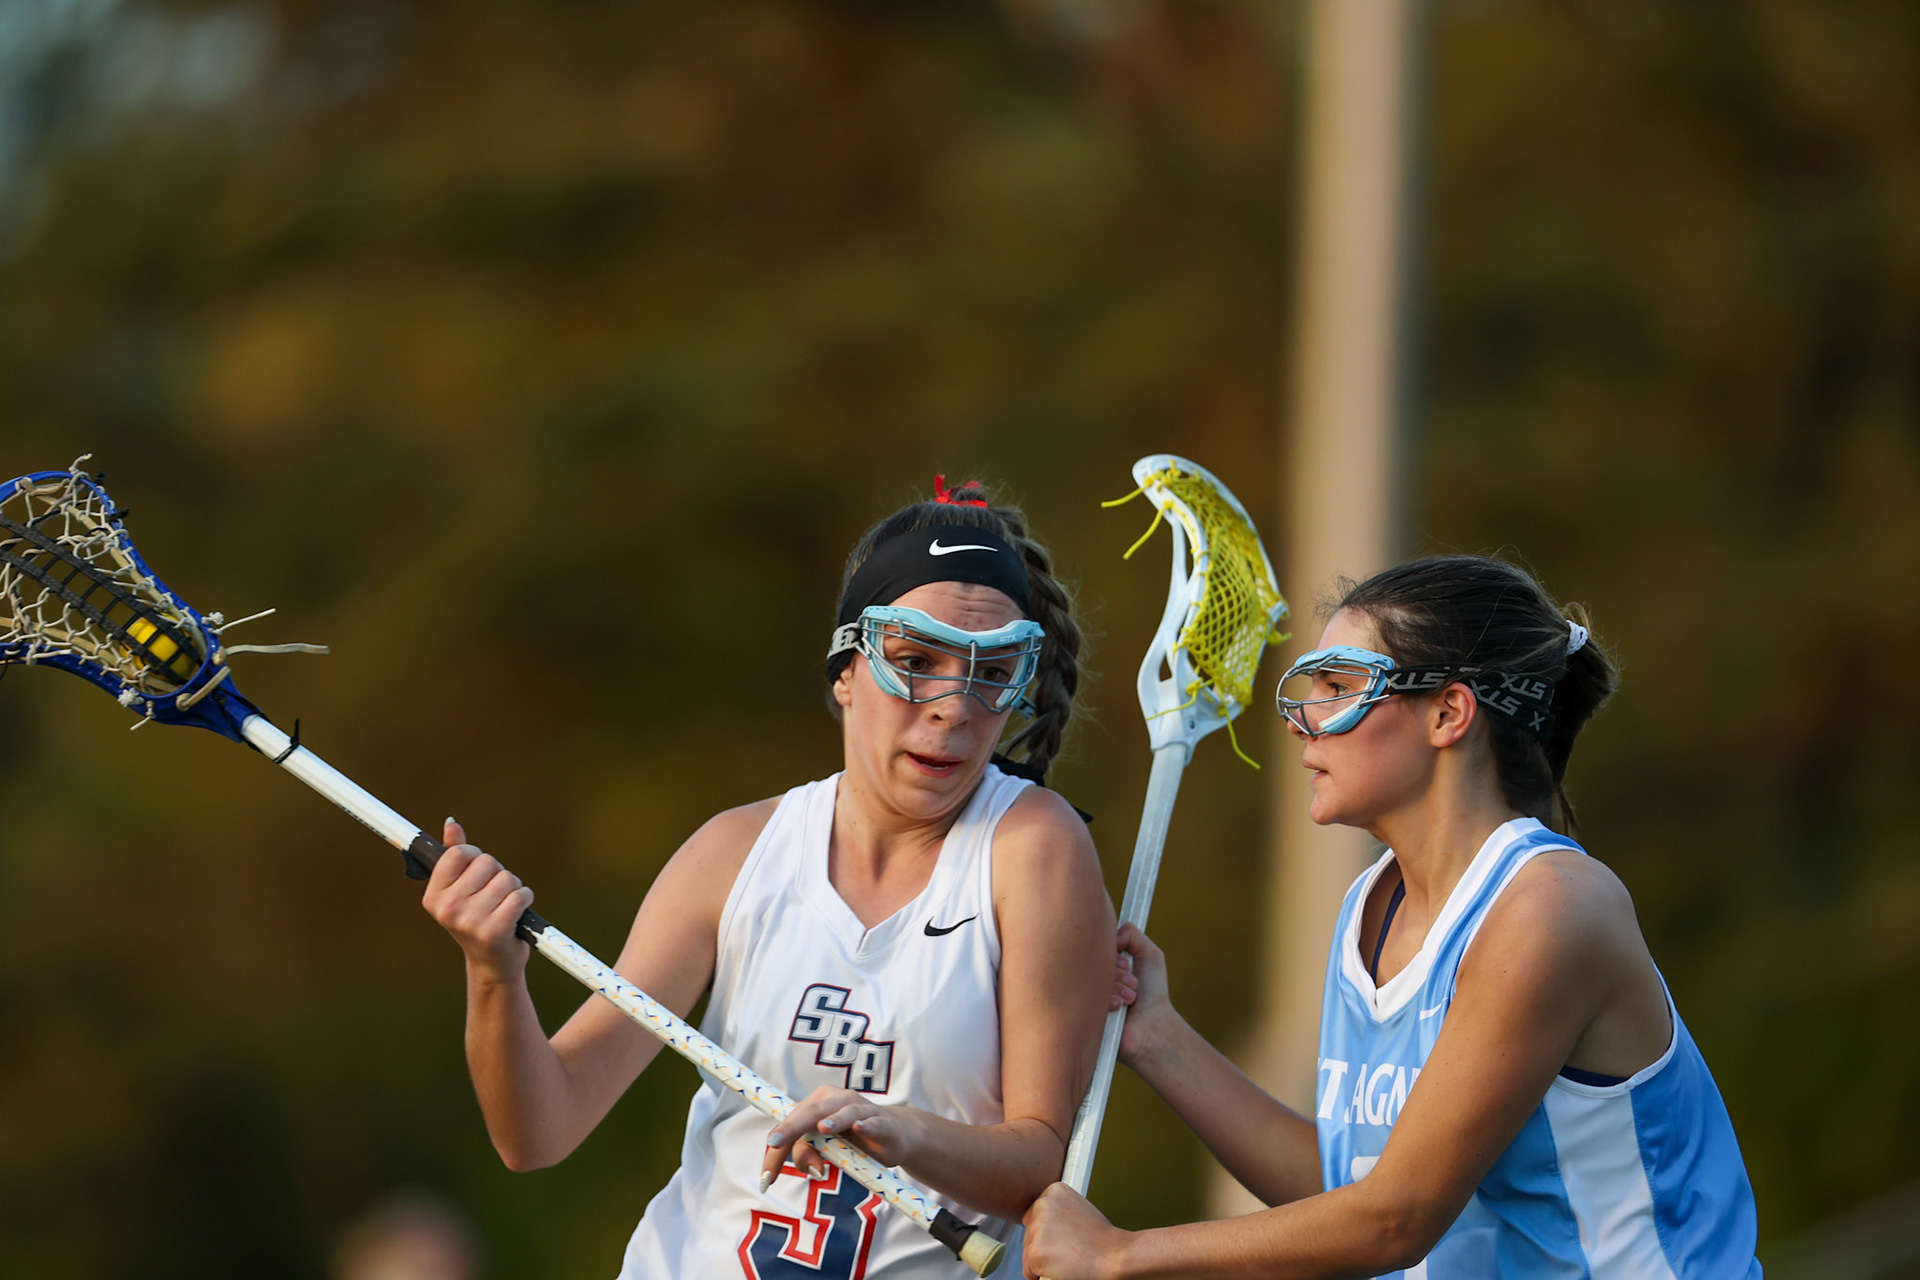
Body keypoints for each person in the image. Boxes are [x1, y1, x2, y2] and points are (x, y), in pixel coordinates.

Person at [423, 476, 1115, 1278]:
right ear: (846, 670)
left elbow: (1039, 1160)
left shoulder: (1033, 848)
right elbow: (538, 1131)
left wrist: (902, 1132)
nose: (953, 708)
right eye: (914, 661)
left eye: (990, 671)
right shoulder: (735, 853)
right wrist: (493, 974)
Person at [1023, 554, 1761, 1279]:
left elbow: (1395, 1219)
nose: (1303, 722)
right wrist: (1156, 1036)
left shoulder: (1550, 909)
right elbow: (1349, 1192)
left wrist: (1119, 1255)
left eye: (1339, 686)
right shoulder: (1371, 906)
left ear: (1448, 713)